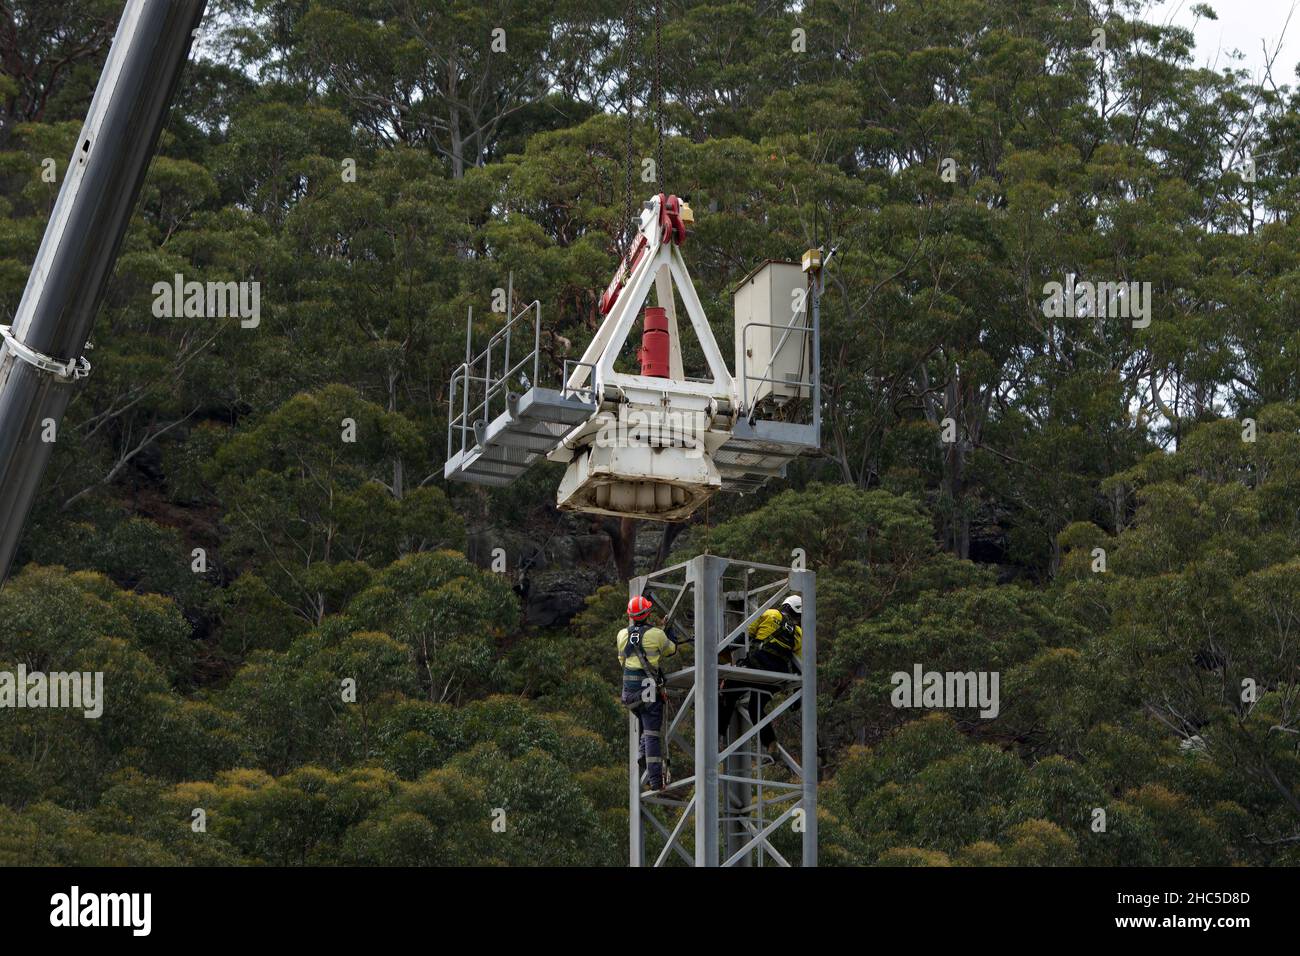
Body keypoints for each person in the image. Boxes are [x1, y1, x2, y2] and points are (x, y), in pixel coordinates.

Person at [718, 594, 802, 754]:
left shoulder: (770, 614)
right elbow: (800, 667)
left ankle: (718, 735)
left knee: (727, 693)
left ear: (785, 606)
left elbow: (743, 637)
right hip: (777, 677)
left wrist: (722, 650)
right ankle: (770, 742)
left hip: (757, 666)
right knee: (755, 708)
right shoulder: (798, 633)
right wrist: (798, 696)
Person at [617, 595, 682, 790]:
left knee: (648, 726)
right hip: (648, 692)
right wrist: (668, 630)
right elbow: (672, 650)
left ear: (630, 615)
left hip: (629, 694)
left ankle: (641, 755)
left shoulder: (622, 635)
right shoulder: (657, 634)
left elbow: (622, 662)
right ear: (648, 613)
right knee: (652, 733)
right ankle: (655, 780)